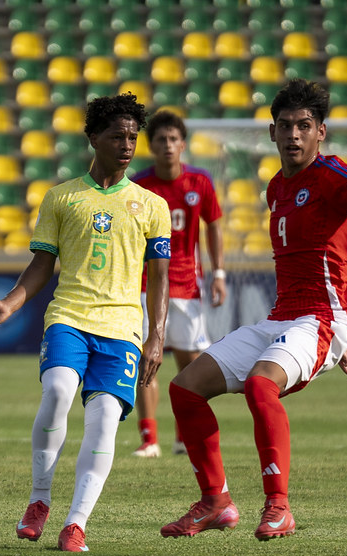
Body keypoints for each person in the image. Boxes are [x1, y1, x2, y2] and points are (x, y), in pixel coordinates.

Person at [159, 79, 347, 541]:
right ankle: (215, 502)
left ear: (321, 132)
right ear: (272, 132)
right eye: (287, 126)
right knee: (185, 388)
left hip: (319, 319)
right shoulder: (276, 188)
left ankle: (279, 506)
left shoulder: (334, 175)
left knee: (261, 384)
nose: (295, 134)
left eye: (305, 126)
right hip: (282, 318)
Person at [0, 93, 171, 552]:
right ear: (93, 137)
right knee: (58, 391)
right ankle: (39, 499)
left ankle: (76, 523)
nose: (126, 145)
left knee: (105, 419)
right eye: (116, 136)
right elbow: (42, 265)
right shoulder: (61, 197)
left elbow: (160, 277)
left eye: (132, 137)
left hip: (122, 327)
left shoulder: (152, 205)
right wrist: (10, 304)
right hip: (69, 316)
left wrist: (157, 336)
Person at [128, 110, 227, 459]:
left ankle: (184, 437)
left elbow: (214, 224)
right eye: (161, 140)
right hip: (145, 285)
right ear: (151, 146)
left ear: (183, 144)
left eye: (173, 139)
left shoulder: (200, 181)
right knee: (146, 360)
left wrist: (218, 274)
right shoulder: (139, 185)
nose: (168, 145)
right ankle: (149, 439)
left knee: (191, 364)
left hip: (187, 286)